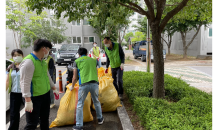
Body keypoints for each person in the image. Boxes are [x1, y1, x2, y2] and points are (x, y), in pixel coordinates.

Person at [19, 39, 60, 130]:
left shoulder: (42, 61)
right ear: (43, 49)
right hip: (34, 97)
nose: (48, 52)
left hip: (45, 95)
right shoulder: (29, 62)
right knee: (32, 124)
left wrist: (54, 88)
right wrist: (28, 100)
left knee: (45, 120)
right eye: (48, 50)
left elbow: (47, 75)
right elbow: (24, 82)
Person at [69, 47, 104, 130]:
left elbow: (74, 77)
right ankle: (100, 119)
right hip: (94, 83)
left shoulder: (76, 61)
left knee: (80, 104)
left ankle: (79, 125)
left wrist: (72, 86)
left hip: (84, 84)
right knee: (96, 101)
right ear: (87, 53)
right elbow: (96, 72)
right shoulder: (93, 60)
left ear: (79, 54)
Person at [5, 49, 25, 130]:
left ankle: (35, 123)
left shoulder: (25, 66)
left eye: (18, 55)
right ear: (12, 57)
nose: (16, 57)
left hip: (25, 93)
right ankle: (13, 128)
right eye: (14, 55)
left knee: (30, 111)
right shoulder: (10, 67)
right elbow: (7, 80)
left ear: (22, 56)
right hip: (14, 93)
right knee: (13, 113)